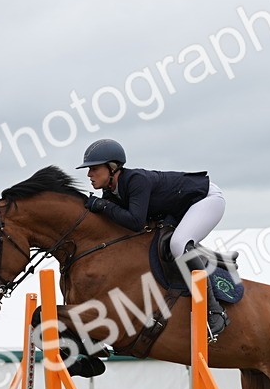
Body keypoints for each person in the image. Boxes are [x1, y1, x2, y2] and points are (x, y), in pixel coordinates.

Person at [77, 138, 229, 341]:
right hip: (180, 210)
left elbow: (135, 221)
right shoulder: (112, 192)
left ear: (112, 168)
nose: (89, 174)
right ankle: (214, 259)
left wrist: (102, 206)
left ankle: (214, 311)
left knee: (178, 244)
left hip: (207, 199)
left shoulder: (135, 180)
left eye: (94, 168)